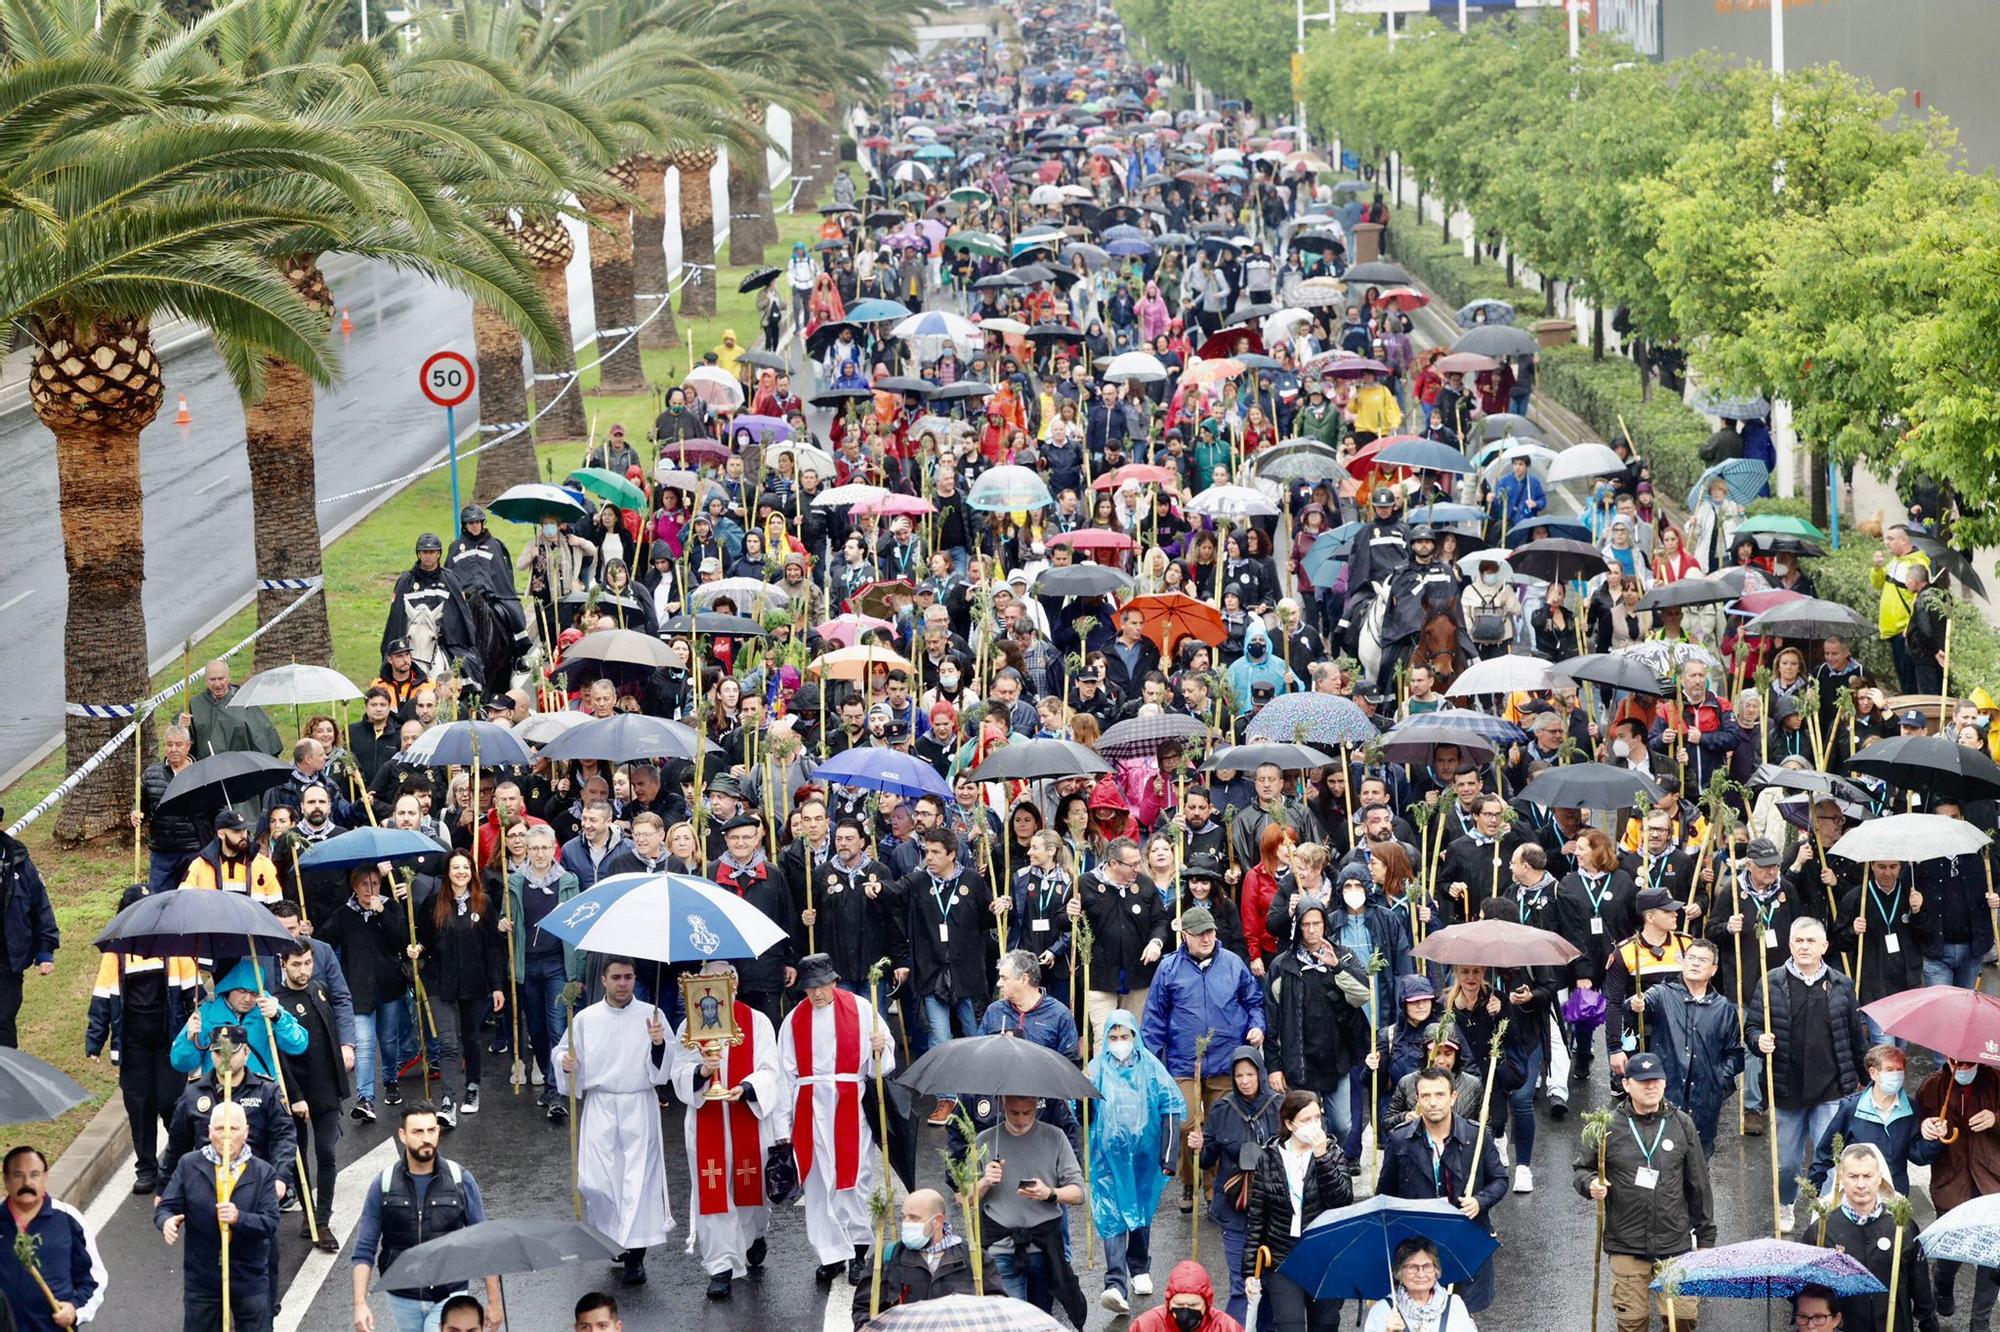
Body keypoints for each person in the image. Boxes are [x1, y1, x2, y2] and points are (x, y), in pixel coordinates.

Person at [552, 956, 677, 1287]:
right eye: (617, 978)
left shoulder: (652, 1015)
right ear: (604, 981)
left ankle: (635, 1255)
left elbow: (666, 1065)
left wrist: (659, 1044)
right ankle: (613, 1236)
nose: (623, 984)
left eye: (629, 977)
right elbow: (563, 1053)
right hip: (601, 1104)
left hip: (638, 1103)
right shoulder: (585, 1019)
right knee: (596, 1180)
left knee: (637, 1181)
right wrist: (565, 1062)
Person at [667, 960, 785, 1301]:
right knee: (712, 1192)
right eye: (709, 980)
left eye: (725, 979)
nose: (718, 986)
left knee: (751, 1187)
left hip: (745, 1115)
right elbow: (678, 1075)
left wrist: (746, 1088)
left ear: (734, 982)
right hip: (707, 1119)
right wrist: (703, 1072)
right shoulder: (689, 1026)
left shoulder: (756, 1021)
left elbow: (769, 1068)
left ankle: (753, 1238)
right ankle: (720, 1266)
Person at [1747, 916, 1871, 1233]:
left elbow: (1856, 1037)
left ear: (1824, 947)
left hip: (1830, 1089)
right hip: (1786, 1088)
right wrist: (1759, 1040)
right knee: (1787, 1162)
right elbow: (1752, 1027)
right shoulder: (1770, 981)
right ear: (1790, 945)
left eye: (1811, 941)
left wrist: (1866, 1078)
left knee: (1829, 1157)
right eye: (1799, 941)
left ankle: (1824, 1211)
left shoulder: (1842, 984)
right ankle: (1786, 1203)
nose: (1804, 946)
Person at [1576, 1052, 1714, 1332]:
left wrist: (1706, 1239)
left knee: (1683, 1320)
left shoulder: (1682, 1124)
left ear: (1664, 1083)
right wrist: (1591, 1184)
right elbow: (1581, 1169)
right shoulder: (1607, 1126)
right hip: (1626, 1243)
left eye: (1656, 1080)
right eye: (1643, 1081)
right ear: (1626, 1085)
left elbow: (1698, 1183)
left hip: (1675, 1243)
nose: (1651, 1086)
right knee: (1632, 1322)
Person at [780, 953, 894, 1286]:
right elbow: (785, 1072)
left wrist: (879, 1048)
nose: (817, 994)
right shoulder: (794, 1019)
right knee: (818, 1184)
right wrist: (784, 1125)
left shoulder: (860, 1009)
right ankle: (830, 1254)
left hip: (849, 1103)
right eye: (810, 988)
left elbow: (881, 1068)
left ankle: (859, 1250)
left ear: (834, 981)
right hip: (809, 1108)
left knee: (854, 1179)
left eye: (822, 985)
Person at [1141, 905, 1266, 1209]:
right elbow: (1154, 1017)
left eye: (1210, 932)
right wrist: (1151, 1062)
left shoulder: (1233, 964)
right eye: (1199, 934)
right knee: (1185, 1122)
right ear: (1185, 936)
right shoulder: (1168, 968)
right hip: (1184, 1062)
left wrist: (1257, 1027)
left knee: (1216, 1126)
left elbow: (1254, 1003)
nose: (1207, 938)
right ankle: (1188, 1180)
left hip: (1225, 1060)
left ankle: (1212, 1184)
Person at [350, 1103, 502, 1332]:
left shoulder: (460, 1179)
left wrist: (494, 1301)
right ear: (403, 1135)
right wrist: (360, 1303)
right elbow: (364, 1249)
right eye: (418, 1132)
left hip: (450, 1293)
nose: (426, 1138)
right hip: (402, 1296)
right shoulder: (383, 1184)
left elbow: (483, 1242)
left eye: (431, 1130)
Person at [1376, 1066, 1508, 1314]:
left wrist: (1480, 1201)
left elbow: (1500, 1179)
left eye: (1439, 1095)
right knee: (1420, 1312)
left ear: (1453, 1097)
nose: (1432, 1102)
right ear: (1417, 1099)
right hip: (1418, 1246)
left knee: (1459, 1314)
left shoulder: (1475, 1136)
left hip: (1464, 1239)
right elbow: (1384, 1193)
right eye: (1425, 1096)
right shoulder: (1400, 1140)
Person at [1088, 1008, 1186, 1314]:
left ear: (1135, 1036)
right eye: (1113, 1037)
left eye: (1124, 1036)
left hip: (1144, 1159)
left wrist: (1169, 1156)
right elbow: (1081, 1114)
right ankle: (1115, 1283)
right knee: (1111, 1215)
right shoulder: (1096, 1069)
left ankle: (1139, 1265)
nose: (1119, 1042)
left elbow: (1171, 1107)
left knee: (1140, 1213)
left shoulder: (1152, 1069)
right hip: (1108, 1160)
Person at [157, 1102, 281, 1332]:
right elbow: (166, 1206)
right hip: (202, 1280)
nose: (225, 1135)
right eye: (219, 1128)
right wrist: (166, 1221)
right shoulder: (189, 1165)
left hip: (249, 1278)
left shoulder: (263, 1172)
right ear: (208, 1131)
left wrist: (239, 1218)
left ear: (246, 1132)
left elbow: (270, 1222)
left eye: (233, 1129)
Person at [1242, 1090, 1353, 1332]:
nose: (1314, 1126)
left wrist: (1321, 1157)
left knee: (1324, 1325)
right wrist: (1250, 1270)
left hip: (1324, 1258)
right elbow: (1257, 1216)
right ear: (1289, 1124)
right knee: (1289, 1325)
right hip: (1283, 1257)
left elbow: (1342, 1201)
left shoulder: (1332, 1152)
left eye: (1317, 1118)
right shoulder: (1269, 1158)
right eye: (1306, 1120)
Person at [972, 1095, 1087, 1323]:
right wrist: (984, 1181)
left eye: (1028, 1112)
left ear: (1037, 1106)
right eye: (1015, 1113)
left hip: (1043, 1248)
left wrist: (1050, 1193)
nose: (1022, 1120)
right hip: (1000, 1247)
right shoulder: (984, 1140)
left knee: (1039, 1320)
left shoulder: (1055, 1137)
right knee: (1010, 1322)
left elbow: (1079, 1193)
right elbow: (964, 1200)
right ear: (1003, 1105)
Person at [1190, 1045, 1282, 1324]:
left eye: (1250, 1074)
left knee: (1269, 1284)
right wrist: (1198, 1146)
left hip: (1273, 1210)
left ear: (1260, 1074)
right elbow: (1207, 1160)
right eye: (1239, 1075)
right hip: (1235, 1209)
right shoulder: (1221, 1109)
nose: (1244, 1080)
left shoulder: (1279, 1105)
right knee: (1242, 1283)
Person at [1625, 938, 1742, 1156]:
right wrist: (1635, 1005)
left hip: (1705, 1102)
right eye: (1691, 958)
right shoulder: (1662, 993)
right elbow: (1638, 1009)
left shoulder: (1723, 1008)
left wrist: (1718, 1079)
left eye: (1703, 960)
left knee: (1698, 1171)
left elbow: (1735, 1054)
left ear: (1714, 969)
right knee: (1661, 1164)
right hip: (1667, 1095)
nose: (1695, 963)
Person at [1802, 1143, 1935, 1332]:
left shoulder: (1901, 1226)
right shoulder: (1822, 1230)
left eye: (1867, 1176)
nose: (1861, 1184)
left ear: (1879, 1179)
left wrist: (1928, 1321)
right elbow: (1806, 1290)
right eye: (1853, 1176)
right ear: (1842, 1178)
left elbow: (1920, 1283)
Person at [273, 945, 349, 1252]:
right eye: (296, 964)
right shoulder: (276, 1003)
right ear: (283, 964)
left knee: (326, 1153)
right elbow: (280, 1056)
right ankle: (307, 1211)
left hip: (327, 1089)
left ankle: (322, 1220)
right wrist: (295, 1095)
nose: (303, 970)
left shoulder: (319, 989)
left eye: (307, 963)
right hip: (298, 1094)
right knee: (298, 1157)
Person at [1916, 1055, 2000, 1325]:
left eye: (1967, 1064)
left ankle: (1980, 1321)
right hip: (1952, 1181)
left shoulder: (1997, 1082)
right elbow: (1918, 1143)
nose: (1961, 1069)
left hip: (1991, 1179)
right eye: (1955, 1064)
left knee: (1993, 1253)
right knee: (1951, 1250)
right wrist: (1926, 1129)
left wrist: (1996, 1119)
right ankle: (1943, 1283)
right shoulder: (1932, 1087)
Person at [852, 1187, 999, 1327]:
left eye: (914, 1218)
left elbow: (996, 1307)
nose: (906, 1223)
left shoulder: (973, 1258)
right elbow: (863, 1308)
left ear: (938, 1221)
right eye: (904, 1217)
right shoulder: (888, 1257)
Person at [0, 1146, 104, 1330]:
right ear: (6, 1179)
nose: (27, 1182)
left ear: (45, 1177)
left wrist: (75, 1310)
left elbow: (94, 1279)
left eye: (34, 1174)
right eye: (18, 1175)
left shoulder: (67, 1218)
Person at [1360, 1237, 1475, 1332]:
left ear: (1436, 1270)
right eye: (1412, 1267)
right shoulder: (1382, 1310)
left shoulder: (1454, 1304)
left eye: (1427, 1266)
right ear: (1399, 1272)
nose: (1421, 1274)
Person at [179, 659, 282, 761]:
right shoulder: (195, 705)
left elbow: (263, 738)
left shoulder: (243, 700)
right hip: (209, 768)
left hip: (242, 765)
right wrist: (182, 727)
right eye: (212, 679)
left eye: (221, 678)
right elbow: (182, 744)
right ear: (205, 680)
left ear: (228, 677)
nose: (217, 684)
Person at [1128, 1261, 1244, 1332]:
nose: (1185, 1310)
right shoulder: (1146, 1326)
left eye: (1193, 1305)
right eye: (1179, 1304)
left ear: (1206, 1303)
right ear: (1169, 1302)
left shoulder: (1226, 1328)